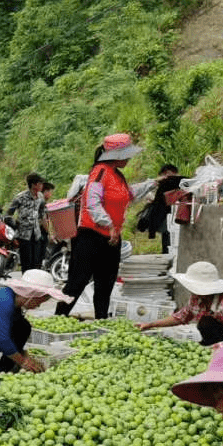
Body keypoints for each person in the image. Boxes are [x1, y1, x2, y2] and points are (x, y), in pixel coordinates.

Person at [54, 133, 152, 320]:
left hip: (112, 238)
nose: (129, 158)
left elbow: (128, 195)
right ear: (116, 155)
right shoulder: (99, 172)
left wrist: (152, 184)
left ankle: (101, 319)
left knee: (105, 284)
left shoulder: (118, 176)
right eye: (126, 154)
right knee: (77, 282)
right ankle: (58, 317)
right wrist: (109, 225)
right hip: (90, 235)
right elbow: (93, 202)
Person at [139, 261, 223, 346]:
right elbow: (181, 317)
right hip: (215, 345)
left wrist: (211, 350)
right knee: (205, 324)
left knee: (208, 323)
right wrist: (151, 324)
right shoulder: (197, 299)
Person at [6, 172, 51, 272]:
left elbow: (42, 215)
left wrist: (48, 232)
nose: (42, 185)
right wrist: (15, 227)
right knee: (26, 264)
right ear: (34, 184)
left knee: (36, 264)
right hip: (24, 235)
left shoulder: (40, 198)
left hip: (36, 235)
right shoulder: (20, 197)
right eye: (40, 183)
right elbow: (8, 215)